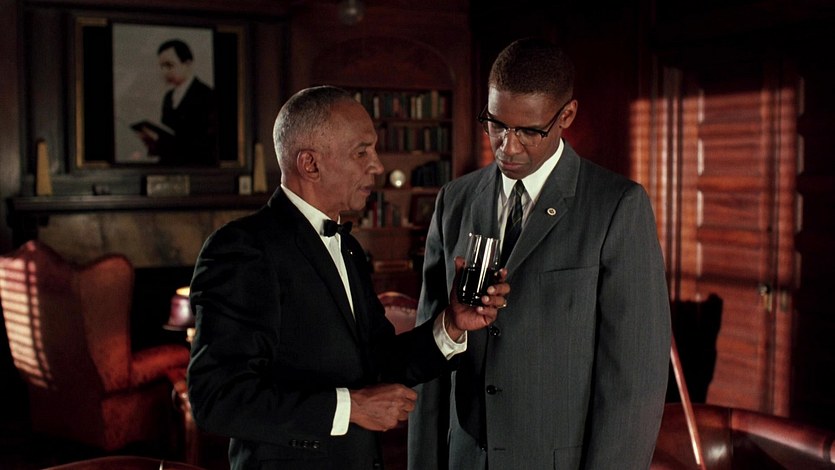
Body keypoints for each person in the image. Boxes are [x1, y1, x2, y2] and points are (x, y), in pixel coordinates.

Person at [186, 85, 510, 470]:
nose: (377, 166)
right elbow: (216, 399)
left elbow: (379, 361)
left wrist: (452, 324)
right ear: (310, 164)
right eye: (362, 152)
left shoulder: (349, 248)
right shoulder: (243, 250)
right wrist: (350, 408)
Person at [407, 38, 671, 469]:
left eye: (529, 131)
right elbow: (430, 359)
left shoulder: (617, 207)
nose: (507, 147)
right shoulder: (454, 200)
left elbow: (634, 384)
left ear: (566, 116)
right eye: (496, 124)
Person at [134, 39, 218, 165]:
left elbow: (207, 145)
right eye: (162, 66)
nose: (164, 72)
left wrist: (163, 142)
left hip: (196, 168)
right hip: (169, 166)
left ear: (188, 64)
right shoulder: (168, 97)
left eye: (169, 65)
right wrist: (153, 143)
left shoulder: (207, 95)